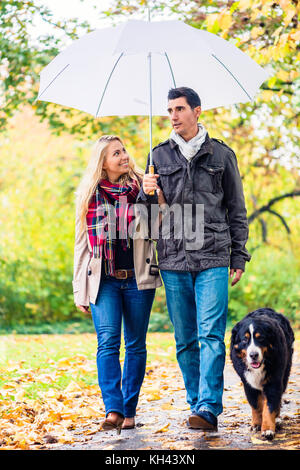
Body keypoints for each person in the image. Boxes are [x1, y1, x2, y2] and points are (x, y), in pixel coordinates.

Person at [139, 87, 251, 431]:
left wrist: (239, 255)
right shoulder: (157, 156)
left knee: (211, 336)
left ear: (197, 111)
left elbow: (237, 208)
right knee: (185, 338)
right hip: (173, 258)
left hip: (214, 255)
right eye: (169, 109)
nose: (172, 116)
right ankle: (195, 401)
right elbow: (146, 219)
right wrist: (145, 193)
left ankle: (208, 407)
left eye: (179, 109)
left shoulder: (222, 155)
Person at [73, 135, 162, 434]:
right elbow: (81, 245)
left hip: (138, 278)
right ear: (103, 162)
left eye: (124, 150)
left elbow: (157, 228)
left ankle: (129, 410)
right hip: (104, 281)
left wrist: (152, 196)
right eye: (116, 153)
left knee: (136, 345)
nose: (124, 156)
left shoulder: (142, 185)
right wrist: (79, 289)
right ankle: (113, 410)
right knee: (108, 343)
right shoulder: (90, 195)